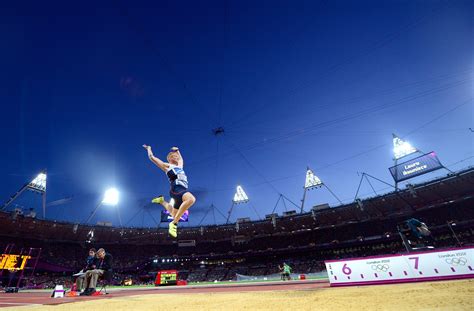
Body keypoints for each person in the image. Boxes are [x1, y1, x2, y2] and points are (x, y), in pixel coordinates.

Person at [143, 145, 196, 238]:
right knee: (191, 199)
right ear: (169, 159)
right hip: (176, 189)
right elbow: (152, 158)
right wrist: (149, 149)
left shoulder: (180, 166)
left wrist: (177, 150)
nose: (176, 157)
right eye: (174, 156)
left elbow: (181, 159)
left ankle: (161, 201)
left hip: (182, 190)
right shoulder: (167, 166)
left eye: (177, 156)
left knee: (173, 213)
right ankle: (174, 224)